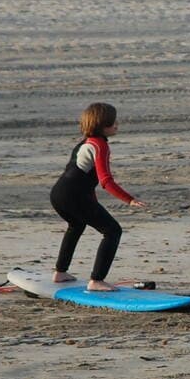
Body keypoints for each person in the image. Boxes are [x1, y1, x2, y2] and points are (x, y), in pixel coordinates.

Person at [50, 102, 146, 290]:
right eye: (111, 123)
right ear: (101, 126)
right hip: (73, 196)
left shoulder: (84, 143)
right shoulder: (100, 146)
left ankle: (60, 272)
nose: (116, 125)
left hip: (58, 194)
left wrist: (90, 200)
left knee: (76, 225)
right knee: (112, 231)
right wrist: (129, 199)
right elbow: (105, 181)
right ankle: (97, 280)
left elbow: (81, 178)